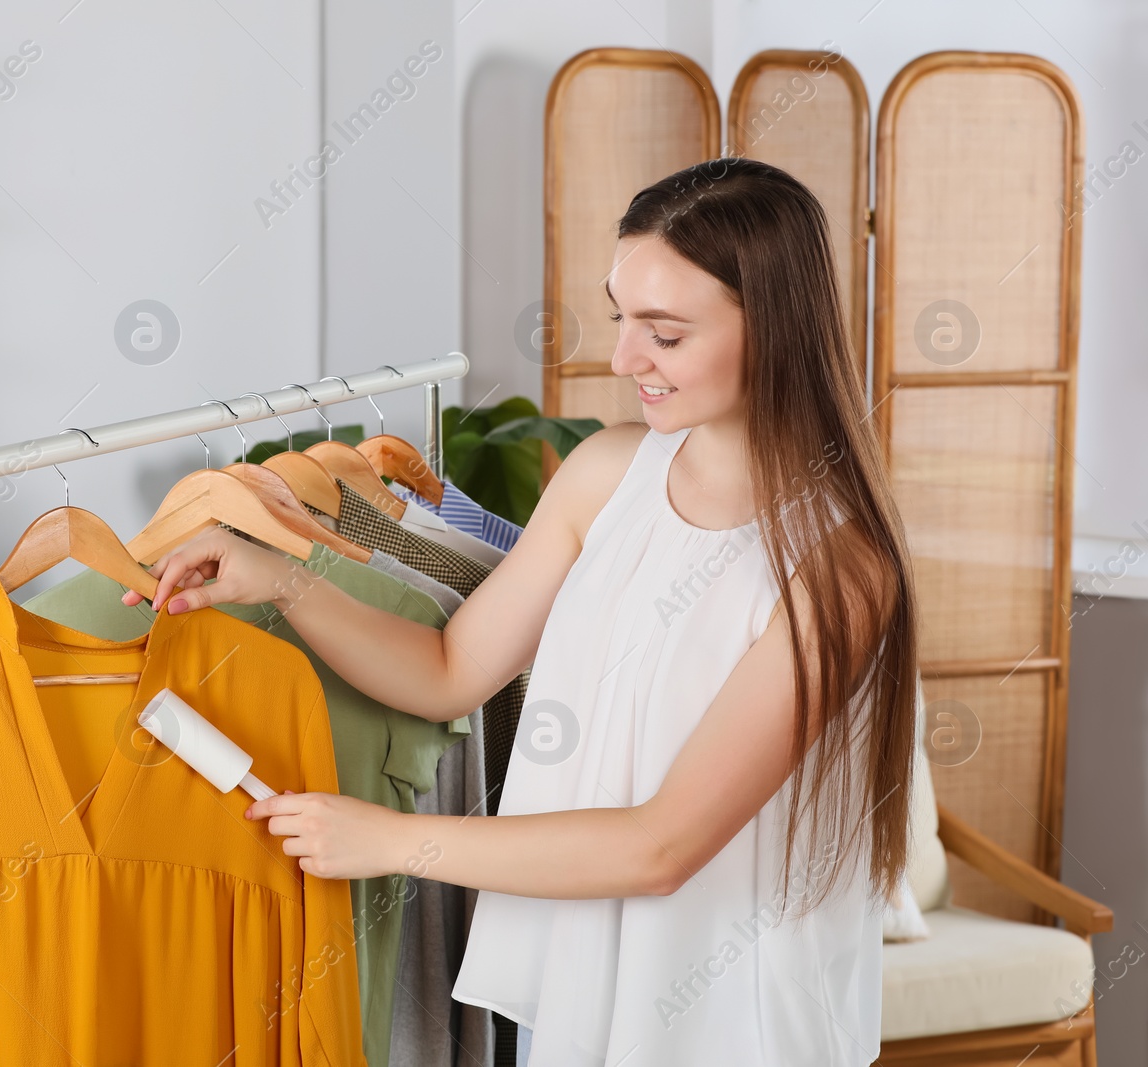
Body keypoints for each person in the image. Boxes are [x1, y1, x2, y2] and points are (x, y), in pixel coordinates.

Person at [127, 158, 918, 1066]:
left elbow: (661, 846)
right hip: (586, 987)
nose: (624, 359)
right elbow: (448, 673)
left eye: (664, 333)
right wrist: (282, 580)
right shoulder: (608, 474)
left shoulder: (839, 571)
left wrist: (390, 839)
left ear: (773, 331)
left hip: (739, 1018)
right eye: (622, 318)